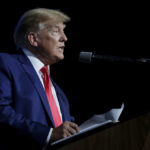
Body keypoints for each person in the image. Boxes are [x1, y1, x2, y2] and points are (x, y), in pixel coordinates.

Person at [0, 8, 79, 150]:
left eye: (63, 31)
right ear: (33, 39)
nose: (64, 38)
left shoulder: (59, 93)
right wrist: (47, 134)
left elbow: (66, 132)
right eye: (55, 31)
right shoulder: (6, 63)